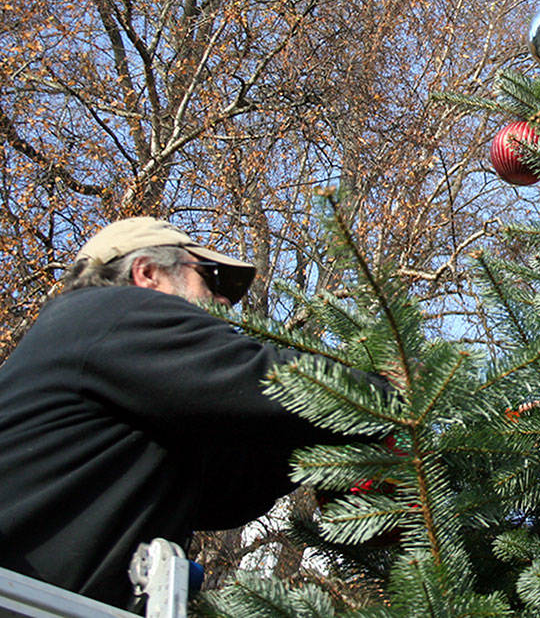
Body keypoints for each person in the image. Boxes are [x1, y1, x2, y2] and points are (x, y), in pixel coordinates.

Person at [0, 217, 370, 609]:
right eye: (210, 279)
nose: (226, 302)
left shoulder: (124, 388)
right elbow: (256, 377)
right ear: (147, 274)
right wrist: (390, 387)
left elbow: (225, 495)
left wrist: (320, 452)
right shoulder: (108, 314)